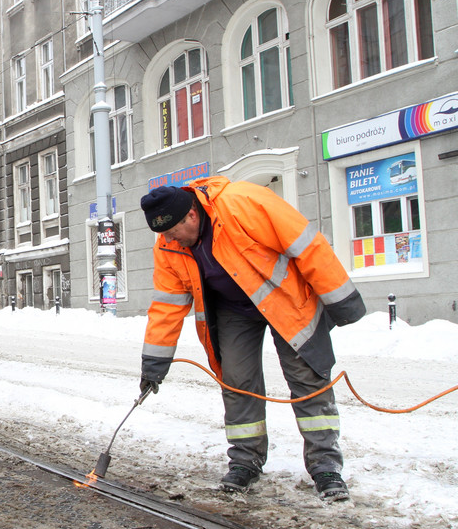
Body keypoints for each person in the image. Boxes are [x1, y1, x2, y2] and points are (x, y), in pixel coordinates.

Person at [138, 177, 365, 501]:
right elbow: (167, 305)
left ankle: (326, 467)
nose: (172, 240)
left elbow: (306, 244)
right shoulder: (167, 244)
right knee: (236, 380)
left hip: (285, 297)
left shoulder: (242, 203)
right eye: (165, 235)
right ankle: (246, 461)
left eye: (174, 232)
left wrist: (341, 299)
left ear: (191, 215)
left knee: (307, 379)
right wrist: (154, 363)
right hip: (232, 309)